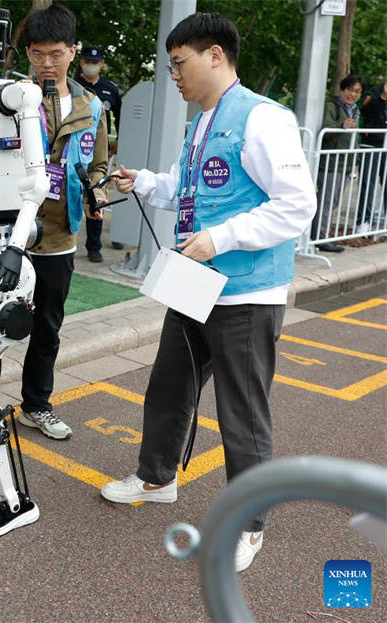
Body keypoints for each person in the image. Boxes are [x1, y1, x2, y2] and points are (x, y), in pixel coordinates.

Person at [102, 13, 315, 573]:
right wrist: (145, 183)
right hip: (194, 284)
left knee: (242, 413)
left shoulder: (263, 118)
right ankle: (156, 478)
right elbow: (187, 188)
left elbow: (297, 205)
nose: (174, 75)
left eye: (180, 63)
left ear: (215, 55)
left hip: (246, 293)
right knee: (168, 387)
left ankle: (250, 522)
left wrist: (222, 238)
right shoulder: (202, 123)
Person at [0, 4, 108, 444]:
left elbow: (99, 162)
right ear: (27, 53)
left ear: (73, 52)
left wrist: (96, 192)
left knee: (48, 327)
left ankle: (36, 405)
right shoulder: (8, 100)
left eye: (57, 54)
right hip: (7, 234)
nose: (48, 63)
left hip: (60, 235)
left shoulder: (92, 106)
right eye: (39, 54)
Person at [74, 44, 121, 263]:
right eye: (87, 62)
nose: (91, 66)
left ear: (101, 64)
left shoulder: (110, 89)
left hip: (98, 151)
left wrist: (118, 140)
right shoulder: (72, 86)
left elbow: (119, 118)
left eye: (95, 62)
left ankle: (94, 246)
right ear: (81, 62)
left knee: (96, 195)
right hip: (74, 150)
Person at [313, 74, 365, 252]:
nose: (353, 94)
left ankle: (318, 234)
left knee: (333, 201)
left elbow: (353, 138)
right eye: (350, 90)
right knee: (326, 201)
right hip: (330, 162)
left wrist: (355, 160)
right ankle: (319, 238)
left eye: (357, 91)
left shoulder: (355, 110)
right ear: (343, 89)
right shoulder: (333, 106)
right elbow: (325, 130)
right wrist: (341, 126)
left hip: (345, 163)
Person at [356, 81, 387, 234]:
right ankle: (363, 221)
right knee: (367, 183)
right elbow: (365, 111)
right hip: (371, 144)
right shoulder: (375, 91)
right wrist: (383, 97)